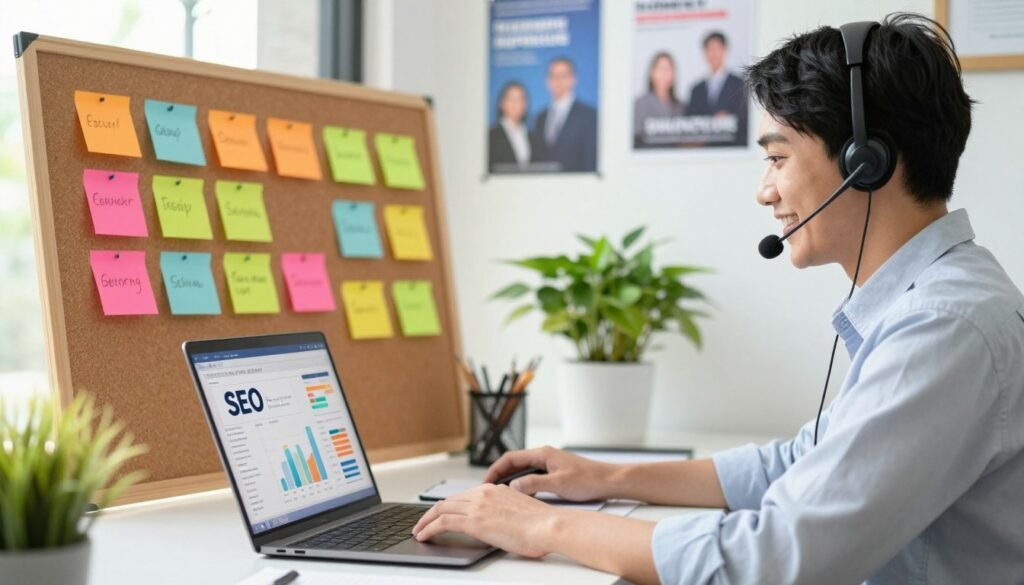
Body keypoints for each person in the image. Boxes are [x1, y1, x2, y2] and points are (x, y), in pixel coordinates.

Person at [412, 13, 1024, 584]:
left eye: (778, 158)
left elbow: (777, 556)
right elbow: (794, 464)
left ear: (867, 162)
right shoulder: (937, 301)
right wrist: (604, 476)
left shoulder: (945, 326)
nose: (765, 192)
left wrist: (542, 526)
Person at [533, 57, 598, 172]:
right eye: (553, 76)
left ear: (573, 79)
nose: (558, 81)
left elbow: (590, 160)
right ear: (547, 81)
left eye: (563, 76)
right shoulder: (540, 118)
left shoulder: (589, 116)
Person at [687, 31, 748, 147]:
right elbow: (690, 121)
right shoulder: (696, 89)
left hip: (733, 148)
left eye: (717, 49)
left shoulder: (739, 84)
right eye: (709, 49)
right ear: (704, 53)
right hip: (704, 151)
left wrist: (728, 120)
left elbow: (746, 119)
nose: (713, 54)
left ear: (725, 50)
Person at [634, 51, 685, 148]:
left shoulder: (681, 106)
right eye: (660, 69)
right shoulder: (640, 104)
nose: (664, 74)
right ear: (651, 73)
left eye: (668, 69)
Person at [488, 81, 534, 172]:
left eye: (520, 99)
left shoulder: (533, 138)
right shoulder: (490, 136)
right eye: (511, 99)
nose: (516, 104)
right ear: (501, 103)